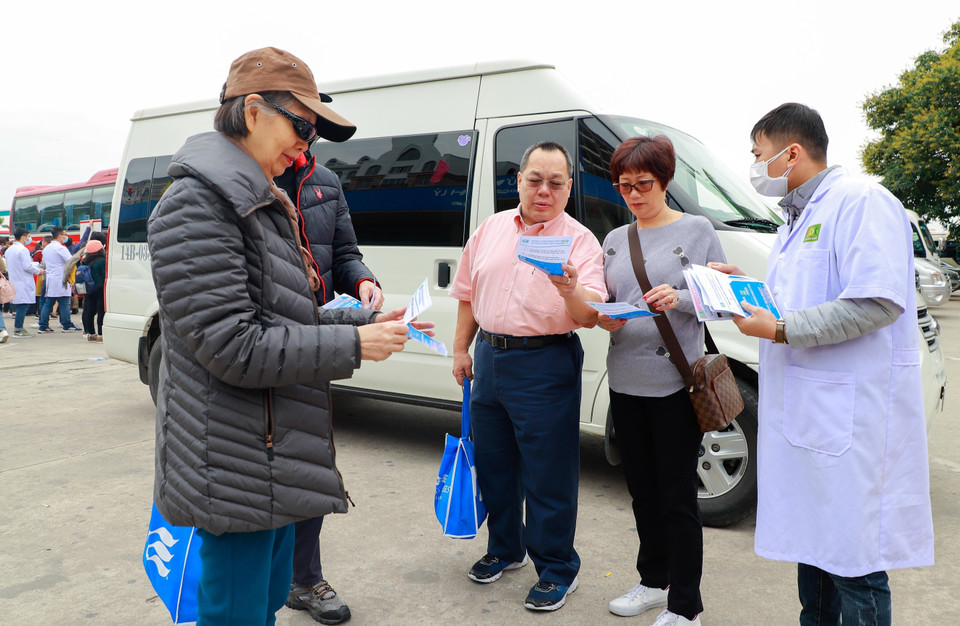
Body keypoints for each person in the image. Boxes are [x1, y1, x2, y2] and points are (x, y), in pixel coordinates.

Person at [147, 47, 428, 625]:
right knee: (236, 614)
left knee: (265, 605)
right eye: (302, 126)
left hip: (269, 453)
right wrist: (354, 347)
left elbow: (284, 318)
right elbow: (234, 346)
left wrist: (361, 321)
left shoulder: (259, 198)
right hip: (233, 463)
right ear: (253, 111)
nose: (307, 144)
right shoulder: (198, 204)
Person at [711, 102, 933, 625]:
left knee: (854, 562)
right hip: (812, 413)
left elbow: (876, 303)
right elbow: (807, 296)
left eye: (757, 153)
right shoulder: (798, 217)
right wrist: (745, 287)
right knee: (815, 548)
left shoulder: (861, 201)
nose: (754, 164)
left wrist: (782, 329)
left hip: (850, 418)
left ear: (791, 152)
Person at [449, 141, 607, 612]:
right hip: (490, 358)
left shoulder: (581, 241)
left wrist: (571, 287)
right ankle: (505, 548)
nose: (544, 190)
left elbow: (590, 315)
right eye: (535, 179)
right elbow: (467, 292)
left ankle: (558, 568)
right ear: (517, 180)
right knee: (495, 464)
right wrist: (461, 347)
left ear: (569, 188)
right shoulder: (492, 228)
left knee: (548, 472)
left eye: (555, 183)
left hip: (545, 362)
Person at [585, 136, 723, 626]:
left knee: (677, 495)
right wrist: (604, 317)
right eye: (624, 186)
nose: (634, 195)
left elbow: (723, 302)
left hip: (675, 383)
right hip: (625, 379)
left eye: (643, 184)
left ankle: (686, 605)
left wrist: (681, 298)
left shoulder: (699, 229)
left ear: (664, 181)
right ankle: (651, 580)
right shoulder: (616, 239)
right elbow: (605, 297)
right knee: (641, 490)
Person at [274, 135, 383, 624]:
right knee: (263, 471)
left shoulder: (325, 182)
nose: (305, 133)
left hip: (316, 342)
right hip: (268, 339)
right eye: (300, 119)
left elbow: (345, 252)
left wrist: (361, 281)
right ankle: (273, 580)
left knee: (311, 463)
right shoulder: (247, 178)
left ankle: (305, 578)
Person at [38, 226, 81, 333]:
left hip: (51, 278)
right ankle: (66, 324)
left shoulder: (47, 248)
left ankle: (43, 325)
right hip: (61, 278)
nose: (66, 237)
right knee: (64, 302)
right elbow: (70, 261)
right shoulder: (61, 248)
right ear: (59, 235)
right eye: (65, 234)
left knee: (48, 303)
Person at [5, 228, 43, 337]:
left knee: (21, 305)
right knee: (23, 305)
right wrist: (38, 271)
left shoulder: (10, 250)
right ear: (23, 237)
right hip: (23, 281)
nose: (29, 238)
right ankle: (18, 329)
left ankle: (19, 328)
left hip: (15, 280)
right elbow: (27, 266)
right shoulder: (23, 250)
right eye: (28, 236)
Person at [79, 238, 106, 342]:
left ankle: (91, 334)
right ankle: (100, 334)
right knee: (101, 312)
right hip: (100, 289)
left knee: (89, 312)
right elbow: (105, 276)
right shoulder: (102, 261)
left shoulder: (84, 261)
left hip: (89, 289)